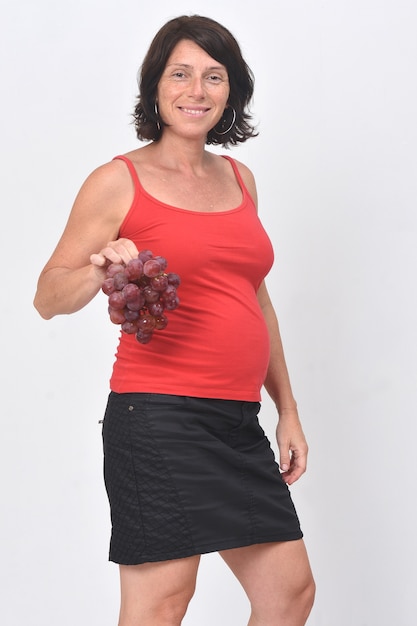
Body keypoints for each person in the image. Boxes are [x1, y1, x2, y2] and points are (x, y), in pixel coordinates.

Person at [34, 14, 315, 626]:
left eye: (214, 77)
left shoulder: (241, 180)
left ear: (231, 90)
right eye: (180, 74)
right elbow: (47, 296)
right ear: (156, 87)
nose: (197, 90)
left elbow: (254, 298)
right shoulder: (118, 180)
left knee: (288, 593)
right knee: (163, 602)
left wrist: (286, 409)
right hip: (157, 417)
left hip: (238, 420)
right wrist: (98, 269)